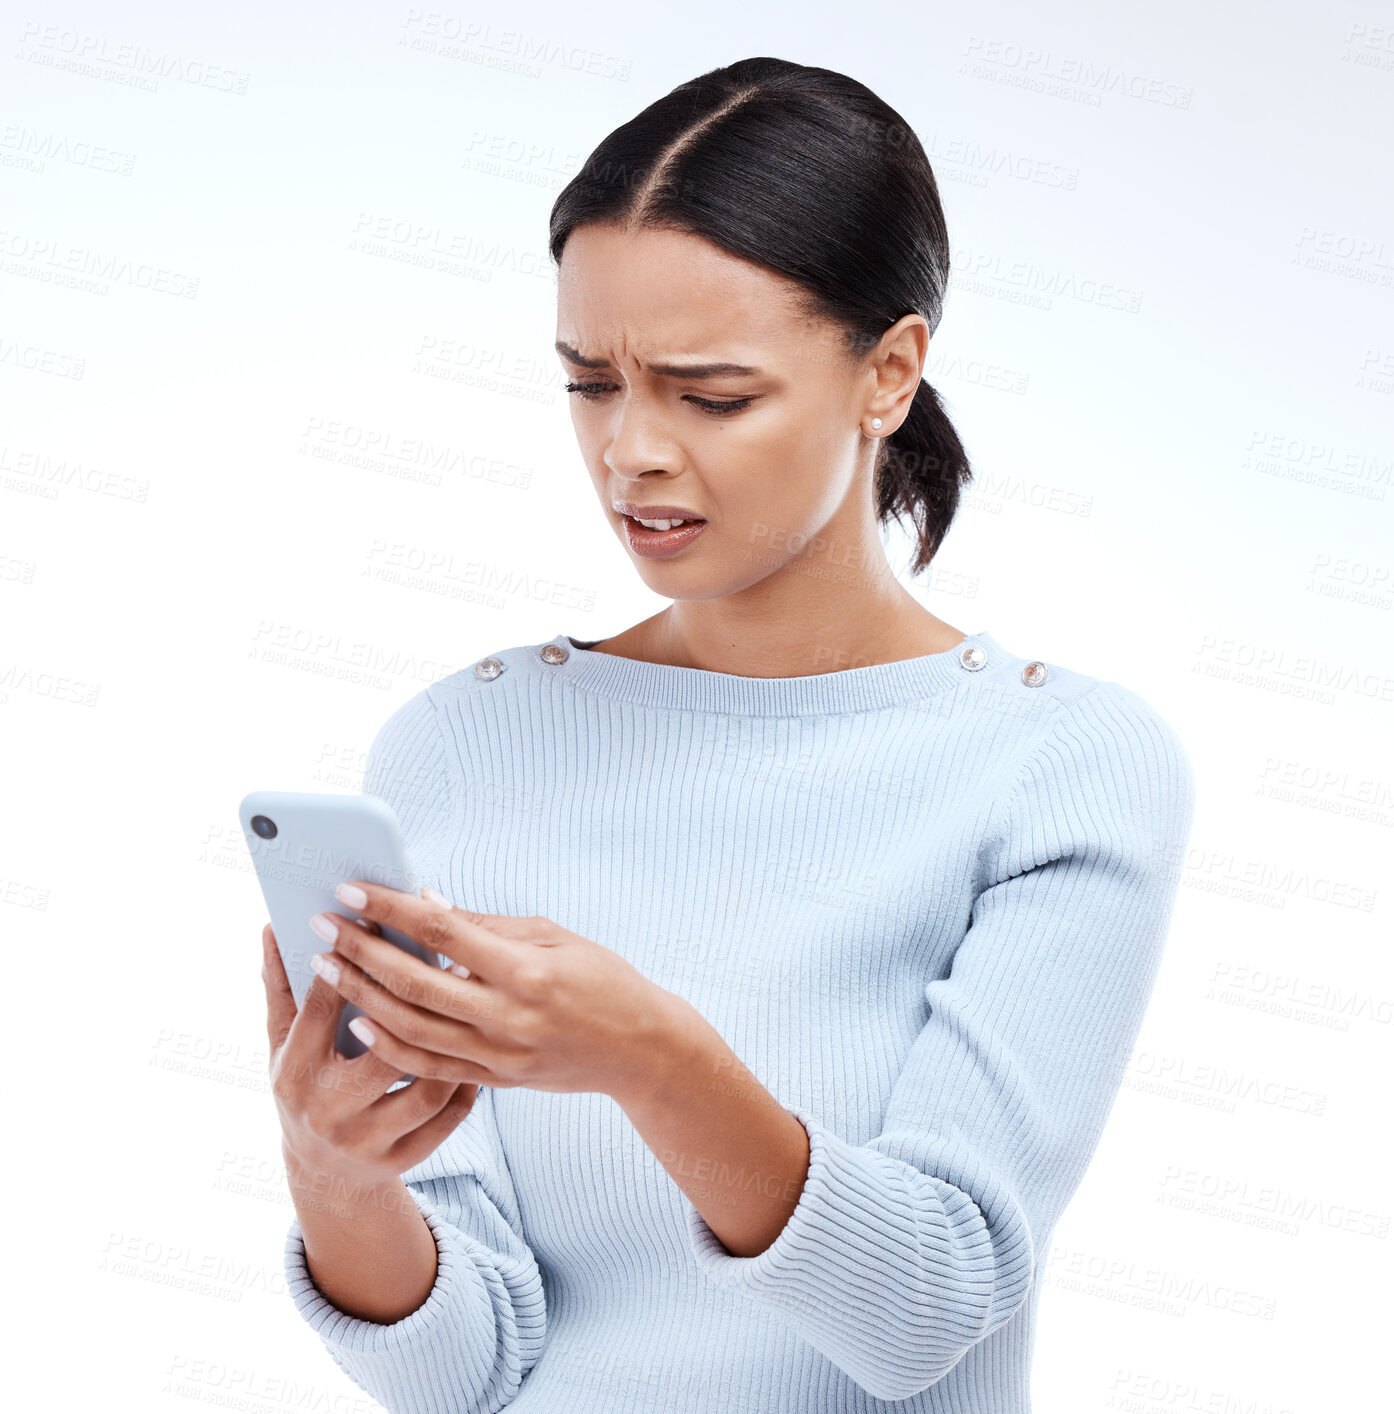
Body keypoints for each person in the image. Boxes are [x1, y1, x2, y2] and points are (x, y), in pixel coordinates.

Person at [262, 56, 1196, 1414]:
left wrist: (651, 1055)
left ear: (888, 373)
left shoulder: (1061, 768)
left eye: (709, 394)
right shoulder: (463, 741)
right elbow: (464, 1367)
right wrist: (335, 1176)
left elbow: (924, 1303)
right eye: (589, 382)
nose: (629, 450)